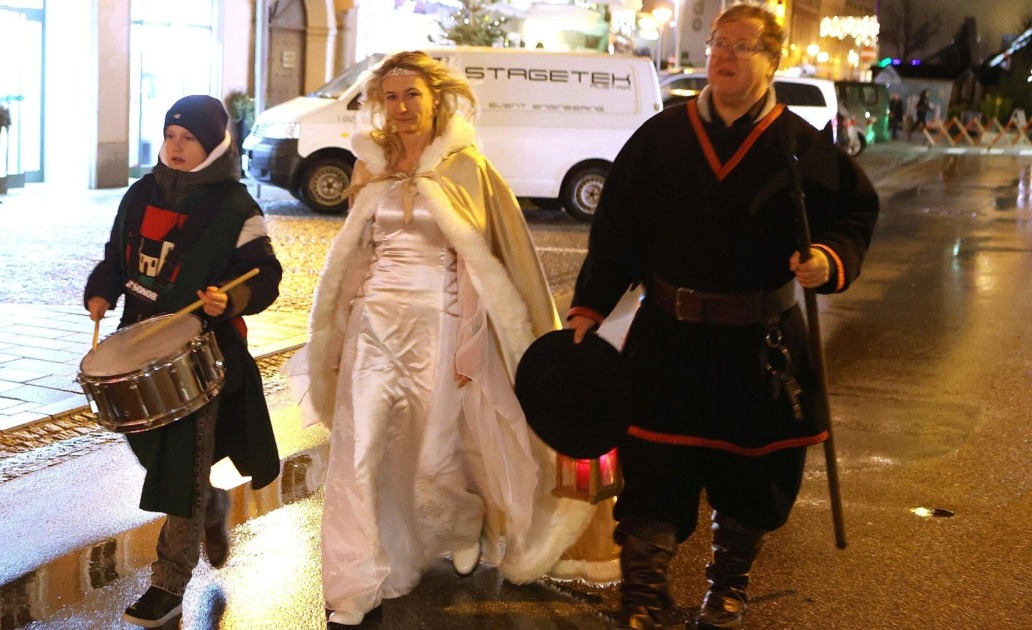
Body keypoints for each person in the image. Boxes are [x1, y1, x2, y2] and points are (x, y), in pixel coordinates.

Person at [565, 5, 878, 630]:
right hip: (668, 336)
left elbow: (854, 215)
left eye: (742, 46)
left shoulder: (801, 146)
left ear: (773, 61)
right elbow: (617, 230)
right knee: (655, 467)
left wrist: (828, 258)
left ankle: (728, 587)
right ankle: (643, 595)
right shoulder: (661, 137)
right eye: (717, 43)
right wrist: (589, 306)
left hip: (760, 343)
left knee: (751, 470)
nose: (724, 56)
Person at [284, 51, 597, 626]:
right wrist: (338, 330)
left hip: (441, 325)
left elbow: (485, 263)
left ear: (435, 99)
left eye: (413, 95)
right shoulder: (368, 166)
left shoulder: (467, 167)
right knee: (358, 451)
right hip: (373, 328)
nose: (402, 107)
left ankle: (459, 526)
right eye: (392, 97)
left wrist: (474, 342)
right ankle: (354, 585)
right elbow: (356, 257)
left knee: (436, 449)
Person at [84, 94, 284, 628]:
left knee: (181, 466)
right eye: (170, 136)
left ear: (213, 144)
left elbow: (265, 276)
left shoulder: (238, 207)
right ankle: (210, 503)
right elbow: (116, 255)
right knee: (155, 452)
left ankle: (169, 583)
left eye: (189, 138)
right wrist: (101, 290)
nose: (175, 146)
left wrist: (231, 298)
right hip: (138, 343)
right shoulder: (140, 193)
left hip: (203, 353)